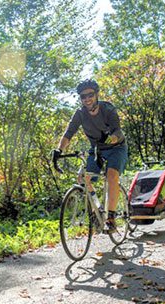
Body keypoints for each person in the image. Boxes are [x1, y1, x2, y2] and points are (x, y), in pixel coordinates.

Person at [52, 79, 127, 233]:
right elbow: (68, 134)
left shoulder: (108, 109)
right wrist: (59, 150)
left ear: (96, 94)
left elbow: (118, 132)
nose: (87, 99)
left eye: (90, 95)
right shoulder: (80, 114)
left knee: (112, 175)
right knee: (83, 178)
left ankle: (111, 218)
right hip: (97, 149)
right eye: (83, 97)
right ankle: (96, 211)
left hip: (116, 147)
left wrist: (111, 139)